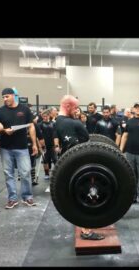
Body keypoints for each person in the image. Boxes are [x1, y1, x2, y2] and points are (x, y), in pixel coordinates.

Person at [53, 95, 104, 241]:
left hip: (68, 162)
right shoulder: (72, 123)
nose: (77, 111)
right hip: (78, 164)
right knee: (84, 196)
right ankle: (86, 230)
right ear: (68, 106)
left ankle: (84, 226)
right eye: (75, 107)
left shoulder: (58, 121)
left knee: (77, 195)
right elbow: (85, 140)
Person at [0, 88, 38, 209]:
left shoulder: (24, 109)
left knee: (25, 173)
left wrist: (34, 144)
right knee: (9, 174)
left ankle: (27, 197)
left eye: (7, 96)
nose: (5, 99)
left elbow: (31, 127)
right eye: (3, 97)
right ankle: (12, 199)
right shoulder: (0, 111)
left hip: (22, 147)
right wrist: (4, 130)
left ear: (14, 96)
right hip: (5, 147)